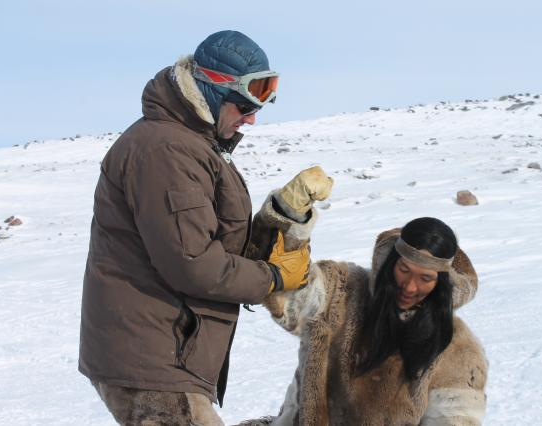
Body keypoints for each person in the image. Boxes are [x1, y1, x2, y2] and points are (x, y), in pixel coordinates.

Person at [78, 31, 319, 426]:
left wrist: (281, 217)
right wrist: (272, 278)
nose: (252, 118)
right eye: (244, 105)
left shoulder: (193, 144)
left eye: (259, 105)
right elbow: (192, 263)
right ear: (211, 88)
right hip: (152, 360)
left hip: (168, 353)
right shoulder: (166, 151)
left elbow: (216, 241)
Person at [243, 174, 488, 425]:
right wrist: (289, 216)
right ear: (391, 262)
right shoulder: (343, 292)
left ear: (441, 284)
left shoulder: (457, 350)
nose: (410, 286)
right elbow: (284, 289)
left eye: (426, 278)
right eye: (404, 270)